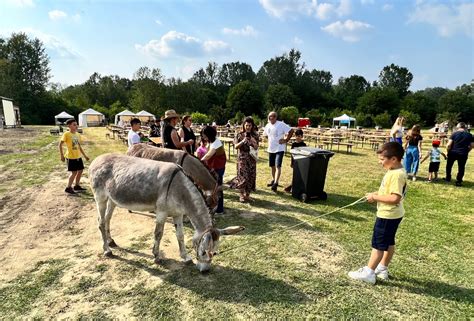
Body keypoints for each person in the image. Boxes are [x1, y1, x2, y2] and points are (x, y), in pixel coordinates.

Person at [348, 142, 407, 284]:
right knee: (388, 242)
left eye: (382, 159)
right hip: (394, 214)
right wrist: (376, 193)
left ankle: (369, 272)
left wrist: (375, 198)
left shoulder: (395, 175)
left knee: (378, 245)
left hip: (387, 215)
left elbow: (394, 198)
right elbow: (390, 192)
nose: (379, 162)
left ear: (393, 159)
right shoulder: (396, 171)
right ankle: (382, 268)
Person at [263, 111, 294, 192]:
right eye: (269, 116)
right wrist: (270, 140)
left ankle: (276, 183)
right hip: (271, 149)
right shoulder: (268, 125)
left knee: (278, 166)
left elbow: (291, 131)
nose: (270, 118)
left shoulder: (281, 124)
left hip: (279, 148)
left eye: (272, 116)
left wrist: (286, 140)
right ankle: (274, 180)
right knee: (272, 166)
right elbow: (265, 134)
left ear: (276, 117)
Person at [58, 119, 90, 194]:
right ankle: (68, 188)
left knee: (81, 170)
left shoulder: (78, 134)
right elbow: (60, 144)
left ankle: (77, 186)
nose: (76, 126)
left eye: (76, 124)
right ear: (69, 126)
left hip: (78, 157)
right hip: (70, 157)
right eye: (74, 124)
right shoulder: (66, 134)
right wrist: (62, 155)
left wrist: (85, 156)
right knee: (74, 173)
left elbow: (79, 146)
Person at [201, 126, 226, 215]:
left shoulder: (216, 143)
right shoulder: (212, 142)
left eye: (205, 136)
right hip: (214, 167)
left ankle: (220, 209)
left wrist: (199, 161)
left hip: (218, 168)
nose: (204, 138)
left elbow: (208, 155)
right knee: (214, 187)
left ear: (210, 135)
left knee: (218, 188)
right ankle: (215, 206)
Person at [234, 117, 259, 202]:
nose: (248, 127)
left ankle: (247, 195)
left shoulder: (255, 135)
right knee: (243, 177)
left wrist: (253, 141)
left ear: (252, 126)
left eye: (250, 125)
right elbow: (235, 146)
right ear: (244, 125)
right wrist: (243, 141)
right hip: (242, 158)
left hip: (252, 158)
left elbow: (256, 147)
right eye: (246, 125)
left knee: (251, 176)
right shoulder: (239, 134)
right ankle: (241, 195)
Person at [444, 122, 474, 186]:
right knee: (461, 167)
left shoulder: (454, 134)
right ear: (465, 127)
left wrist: (447, 152)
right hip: (463, 153)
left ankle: (448, 178)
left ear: (458, 127)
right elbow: (472, 145)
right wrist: (467, 151)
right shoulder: (470, 135)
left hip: (453, 152)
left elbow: (448, 145)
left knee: (449, 166)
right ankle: (459, 181)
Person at [284, 129, 307, 193]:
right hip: (295, 162)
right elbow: (292, 155)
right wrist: (292, 163)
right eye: (297, 136)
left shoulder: (304, 144)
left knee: (301, 176)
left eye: (299, 136)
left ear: (302, 136)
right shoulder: (293, 144)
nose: (298, 137)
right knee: (295, 175)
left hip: (302, 163)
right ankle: (292, 187)